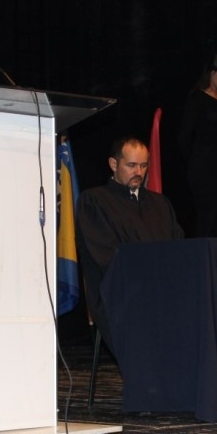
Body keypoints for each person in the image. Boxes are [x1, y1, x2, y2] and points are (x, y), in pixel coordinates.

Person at [77, 136, 184, 351]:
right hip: (121, 294)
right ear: (113, 164)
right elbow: (108, 259)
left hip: (163, 292)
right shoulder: (94, 201)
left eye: (144, 166)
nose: (139, 172)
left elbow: (178, 250)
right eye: (132, 165)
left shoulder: (160, 204)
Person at [178, 51, 217, 237]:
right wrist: (194, 163)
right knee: (207, 217)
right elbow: (184, 137)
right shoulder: (197, 99)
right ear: (212, 72)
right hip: (203, 168)